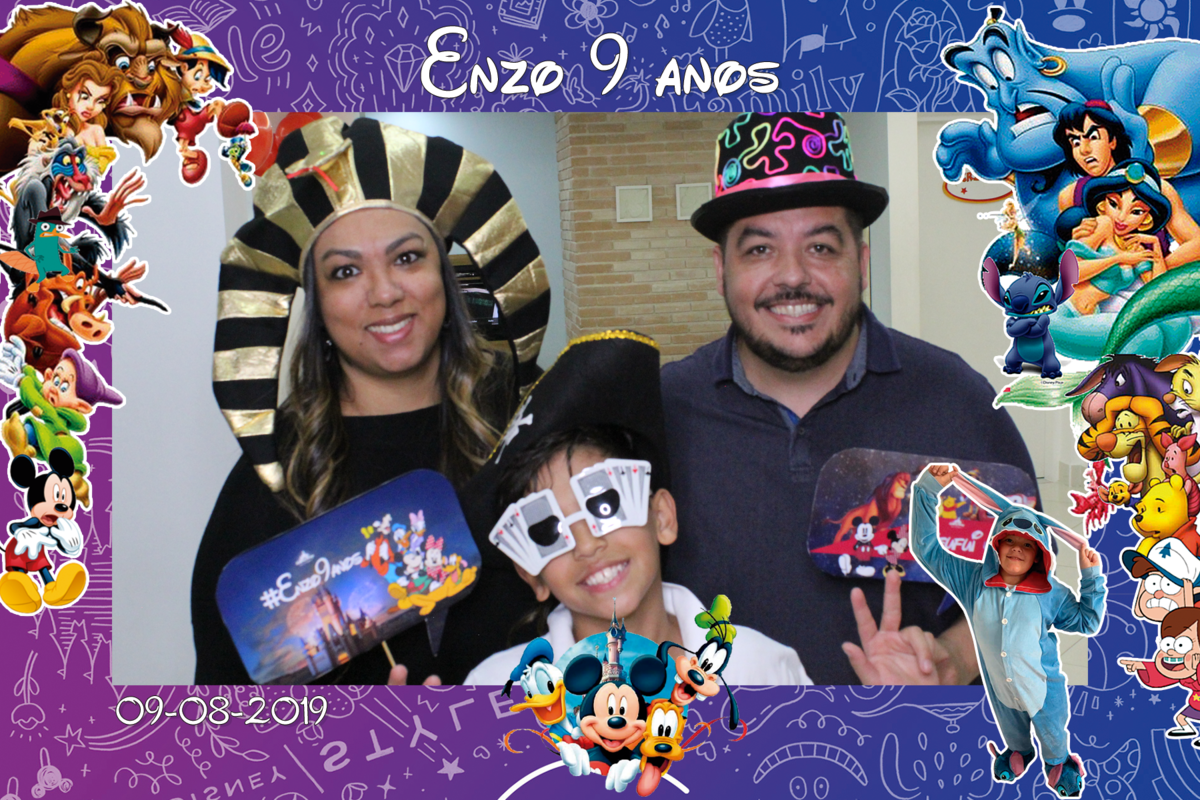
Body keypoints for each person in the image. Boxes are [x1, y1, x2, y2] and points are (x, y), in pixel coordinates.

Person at [661, 110, 1039, 685]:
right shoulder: (664, 410)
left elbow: (1028, 584)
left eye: (820, 247)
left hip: (903, 733)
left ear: (860, 263)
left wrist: (952, 661)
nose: (792, 277)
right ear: (720, 270)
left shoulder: (955, 400)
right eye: (759, 250)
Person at [192, 117, 550, 685]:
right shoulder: (278, 477)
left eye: (407, 258)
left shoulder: (531, 424)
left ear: (444, 275)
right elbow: (221, 702)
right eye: (345, 271)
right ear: (317, 304)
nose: (384, 293)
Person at [461, 331, 808, 686]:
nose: (586, 545)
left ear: (662, 517)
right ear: (530, 575)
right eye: (548, 531)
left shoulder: (762, 670)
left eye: (605, 505)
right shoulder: (498, 692)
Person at [911, 464, 1104, 796]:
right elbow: (927, 550)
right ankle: (1019, 752)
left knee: (1052, 735)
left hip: (1043, 691)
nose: (1016, 548)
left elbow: (1088, 621)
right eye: (1009, 540)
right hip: (1000, 690)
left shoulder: (1052, 593)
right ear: (996, 545)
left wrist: (1091, 578)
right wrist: (926, 490)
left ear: (1039, 554)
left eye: (1027, 545)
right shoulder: (973, 582)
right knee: (1012, 729)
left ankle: (1058, 762)